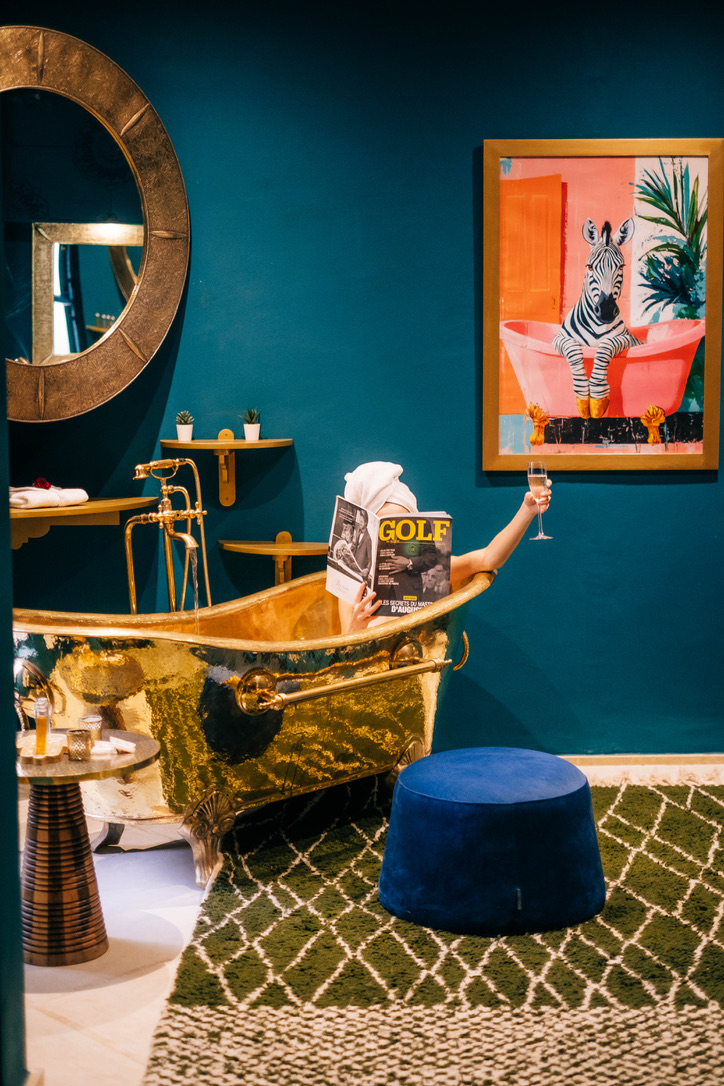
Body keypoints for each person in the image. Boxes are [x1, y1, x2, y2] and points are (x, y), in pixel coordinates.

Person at [337, 461, 552, 634]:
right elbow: (342, 654)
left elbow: (489, 558)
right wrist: (355, 627)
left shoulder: (428, 570)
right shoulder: (352, 582)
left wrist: (527, 510)